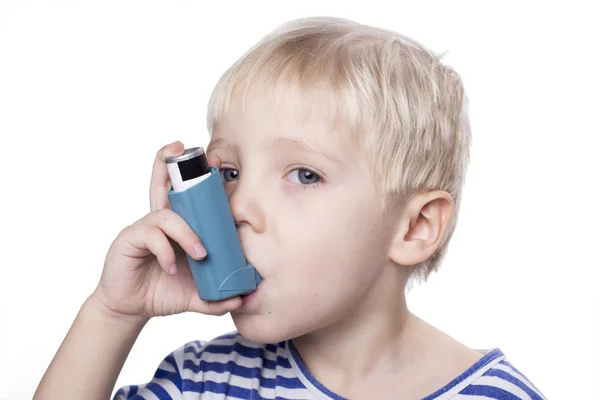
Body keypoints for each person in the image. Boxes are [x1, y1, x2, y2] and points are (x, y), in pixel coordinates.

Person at [34, 16, 546, 400]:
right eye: (229, 174)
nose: (238, 209)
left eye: (304, 175)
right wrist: (113, 313)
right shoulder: (202, 381)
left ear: (414, 227)